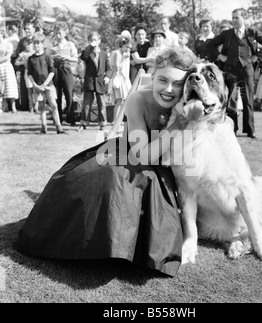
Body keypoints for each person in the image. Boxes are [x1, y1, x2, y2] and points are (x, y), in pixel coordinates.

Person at [17, 48, 197, 277]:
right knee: (112, 181)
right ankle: (93, 241)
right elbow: (142, 155)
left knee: (153, 191)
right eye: (163, 80)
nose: (169, 89)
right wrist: (176, 126)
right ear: (153, 77)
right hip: (130, 155)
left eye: (178, 83)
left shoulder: (189, 104)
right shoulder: (138, 99)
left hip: (162, 166)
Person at [207, 8, 262, 139]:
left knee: (248, 100)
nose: (234, 20)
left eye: (237, 17)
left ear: (244, 18)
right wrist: (220, 56)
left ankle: (250, 130)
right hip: (230, 70)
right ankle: (233, 128)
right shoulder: (227, 33)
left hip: (247, 70)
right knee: (231, 99)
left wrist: (257, 57)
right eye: (233, 18)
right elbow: (210, 44)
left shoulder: (252, 32)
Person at [27, 33, 65, 134]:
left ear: (42, 44)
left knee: (54, 105)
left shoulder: (47, 56)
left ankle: (59, 127)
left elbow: (52, 71)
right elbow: (29, 73)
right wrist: (35, 85)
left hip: (49, 85)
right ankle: (44, 127)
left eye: (38, 43)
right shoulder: (31, 59)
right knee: (41, 106)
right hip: (37, 86)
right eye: (34, 43)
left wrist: (45, 84)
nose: (36, 45)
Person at [77, 32, 111, 132]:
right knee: (87, 104)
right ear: (89, 41)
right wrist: (90, 47)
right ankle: (83, 123)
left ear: (99, 41)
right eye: (91, 40)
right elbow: (83, 57)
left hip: (100, 82)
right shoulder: (87, 52)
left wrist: (107, 76)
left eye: (95, 40)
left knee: (102, 104)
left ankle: (103, 124)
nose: (94, 42)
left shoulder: (104, 54)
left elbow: (108, 68)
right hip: (90, 82)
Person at [51, 22, 78, 126]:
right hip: (57, 70)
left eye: (59, 33)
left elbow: (75, 58)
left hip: (67, 70)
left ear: (65, 33)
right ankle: (58, 119)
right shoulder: (54, 47)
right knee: (57, 95)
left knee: (69, 93)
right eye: (56, 33)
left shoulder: (70, 45)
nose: (57, 36)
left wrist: (66, 57)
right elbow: (50, 60)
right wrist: (54, 58)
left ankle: (71, 118)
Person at [109, 36, 132, 127]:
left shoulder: (126, 53)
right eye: (127, 47)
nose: (128, 49)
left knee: (124, 101)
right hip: (119, 78)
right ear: (122, 45)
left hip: (125, 78)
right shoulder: (118, 53)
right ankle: (116, 120)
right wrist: (123, 57)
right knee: (119, 101)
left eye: (130, 47)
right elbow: (117, 66)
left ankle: (120, 120)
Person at [15, 22, 36, 111]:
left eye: (29, 29)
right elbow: (18, 53)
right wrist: (22, 62)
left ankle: (37, 106)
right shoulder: (22, 41)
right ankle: (26, 106)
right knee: (26, 89)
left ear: (33, 29)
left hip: (36, 69)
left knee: (36, 89)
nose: (27, 31)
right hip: (25, 69)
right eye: (26, 29)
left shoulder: (37, 38)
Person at [0, 29, 18, 113]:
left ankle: (13, 107)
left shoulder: (8, 44)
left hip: (6, 67)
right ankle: (3, 106)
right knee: (1, 87)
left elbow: (7, 57)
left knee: (9, 86)